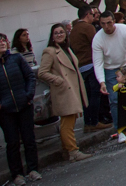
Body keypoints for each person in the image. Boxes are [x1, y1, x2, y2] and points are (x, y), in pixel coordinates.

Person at [0, 33, 39, 186]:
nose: (2, 43)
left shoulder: (17, 59)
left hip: (24, 105)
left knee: (29, 139)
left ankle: (33, 169)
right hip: (5, 110)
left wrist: (28, 95)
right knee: (12, 142)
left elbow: (30, 77)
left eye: (3, 40)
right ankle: (17, 174)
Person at [38, 24, 92, 162]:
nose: (59, 35)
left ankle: (66, 150)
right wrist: (58, 80)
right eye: (56, 33)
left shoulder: (66, 48)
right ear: (52, 36)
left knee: (70, 121)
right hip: (63, 90)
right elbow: (42, 72)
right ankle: (73, 151)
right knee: (67, 123)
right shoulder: (49, 51)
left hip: (72, 88)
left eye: (62, 32)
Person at [92, 11, 126, 137]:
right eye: (103, 24)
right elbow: (97, 62)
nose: (106, 26)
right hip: (110, 68)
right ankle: (121, 130)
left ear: (114, 21)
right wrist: (101, 81)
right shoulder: (98, 39)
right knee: (114, 99)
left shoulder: (125, 30)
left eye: (109, 23)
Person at [70, 7, 111, 133]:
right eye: (93, 14)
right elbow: (96, 43)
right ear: (88, 15)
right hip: (91, 63)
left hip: (81, 65)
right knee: (95, 94)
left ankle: (89, 122)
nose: (94, 17)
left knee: (87, 95)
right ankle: (94, 121)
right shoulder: (88, 27)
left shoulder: (74, 30)